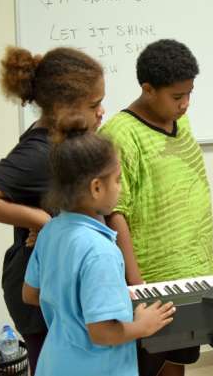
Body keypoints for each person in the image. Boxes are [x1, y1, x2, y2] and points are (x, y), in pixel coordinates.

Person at [22, 112, 176, 376]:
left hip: (55, 362)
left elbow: (31, 294)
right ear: (96, 188)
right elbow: (102, 332)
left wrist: (96, 296)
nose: (119, 187)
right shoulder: (100, 250)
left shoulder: (50, 230)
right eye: (117, 180)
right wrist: (143, 326)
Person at [99, 39, 213, 376]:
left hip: (191, 270)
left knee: (175, 360)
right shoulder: (120, 134)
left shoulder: (182, 121)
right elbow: (115, 211)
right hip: (153, 278)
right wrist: (137, 285)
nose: (185, 104)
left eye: (189, 93)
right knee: (150, 363)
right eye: (177, 96)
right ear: (148, 90)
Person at [0, 46, 104, 373]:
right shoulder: (38, 152)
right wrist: (40, 220)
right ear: (63, 107)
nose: (102, 112)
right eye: (94, 105)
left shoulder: (63, 144)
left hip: (56, 283)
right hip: (38, 293)